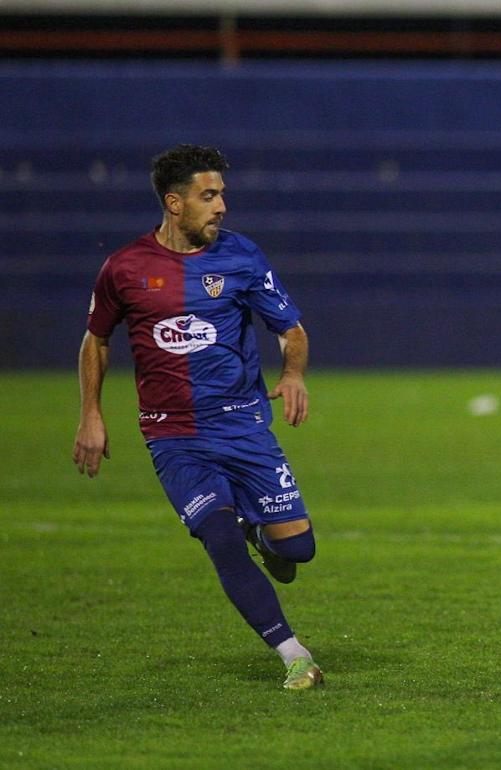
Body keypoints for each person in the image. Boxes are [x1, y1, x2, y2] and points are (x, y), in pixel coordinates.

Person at [73, 145, 323, 690]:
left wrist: (294, 374)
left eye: (222, 195)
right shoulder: (124, 268)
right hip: (173, 435)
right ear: (174, 203)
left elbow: (291, 329)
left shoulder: (243, 257)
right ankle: (293, 654)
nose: (221, 207)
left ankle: (260, 530)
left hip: (243, 426)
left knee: (296, 550)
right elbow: (96, 340)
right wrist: (91, 413)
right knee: (218, 534)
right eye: (209, 196)